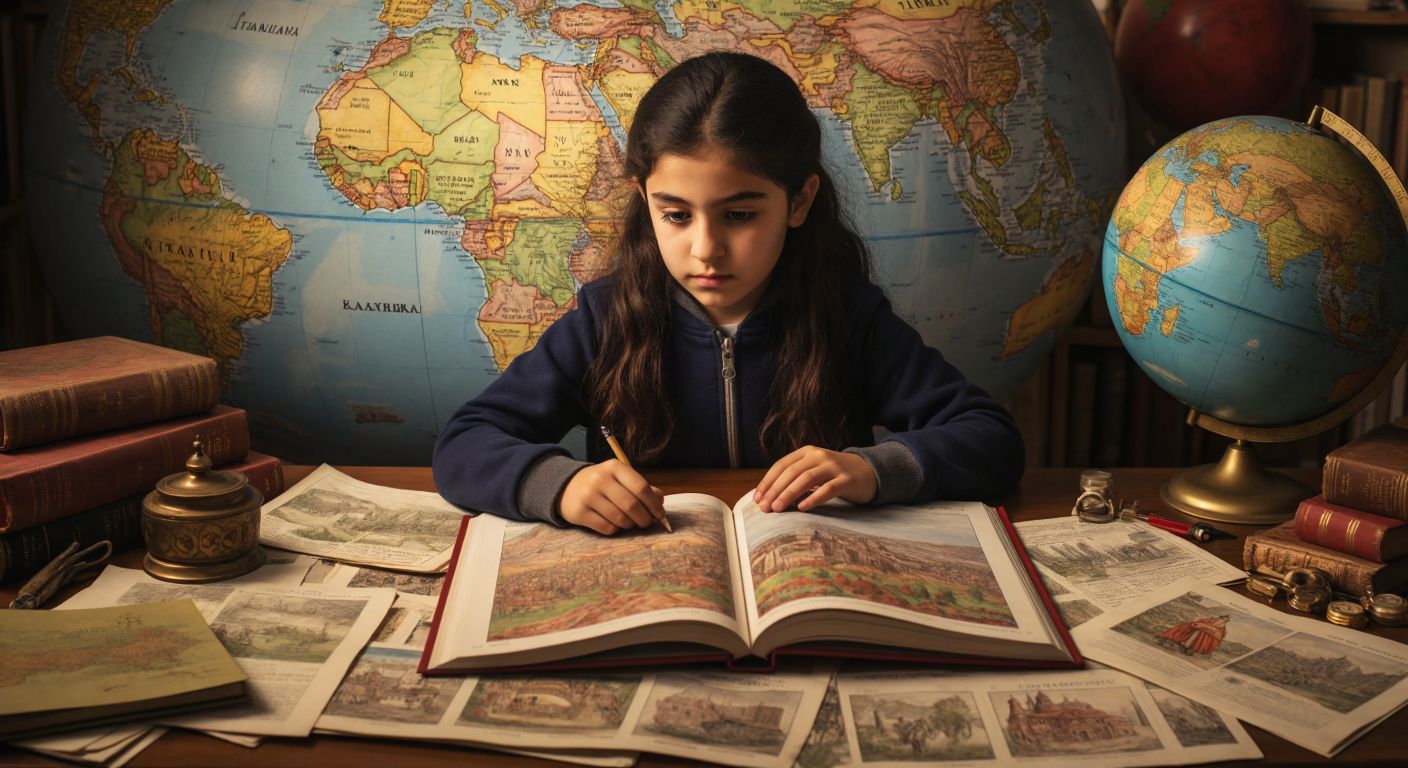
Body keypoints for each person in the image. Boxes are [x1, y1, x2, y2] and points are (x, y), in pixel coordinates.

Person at [432, 51, 1024, 535]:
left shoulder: (847, 316)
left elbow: (991, 439)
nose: (706, 248)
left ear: (799, 201)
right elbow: (465, 442)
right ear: (646, 202)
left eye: (739, 215)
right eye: (676, 214)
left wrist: (874, 470)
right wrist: (558, 484)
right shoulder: (604, 319)